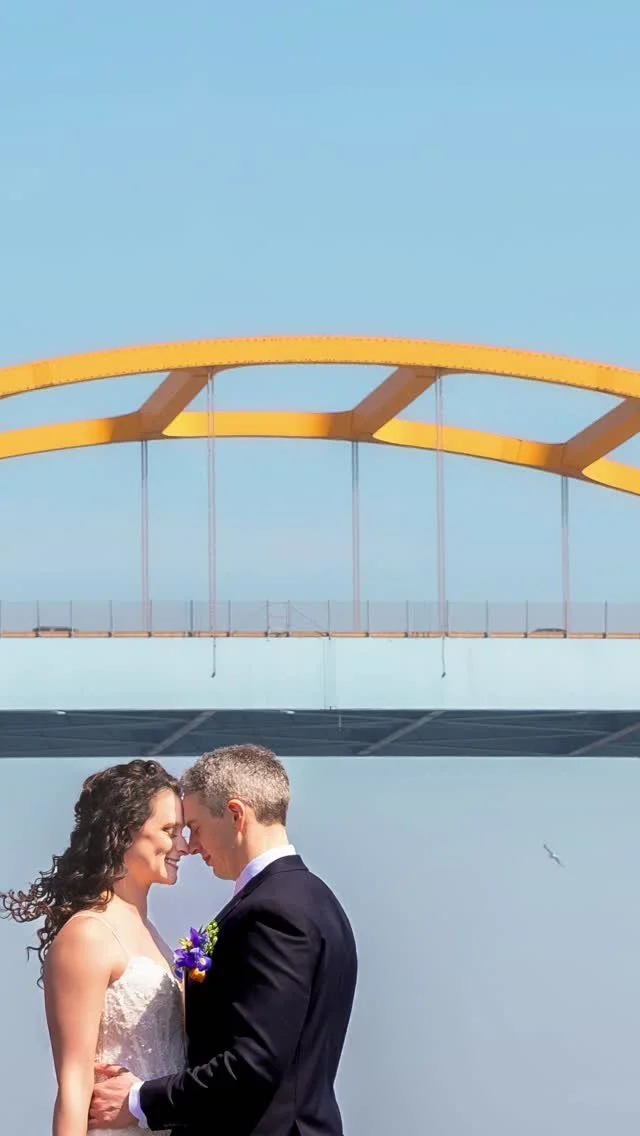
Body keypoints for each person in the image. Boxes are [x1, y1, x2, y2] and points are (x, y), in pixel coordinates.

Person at [89, 743, 358, 1136]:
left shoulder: (274, 912)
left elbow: (254, 1063)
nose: (191, 846)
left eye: (195, 827)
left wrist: (139, 1101)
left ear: (235, 815)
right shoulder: (313, 898)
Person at [0, 759, 188, 1136]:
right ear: (124, 831)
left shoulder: (153, 935)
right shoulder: (88, 935)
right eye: (170, 831)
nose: (184, 846)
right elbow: (74, 1086)